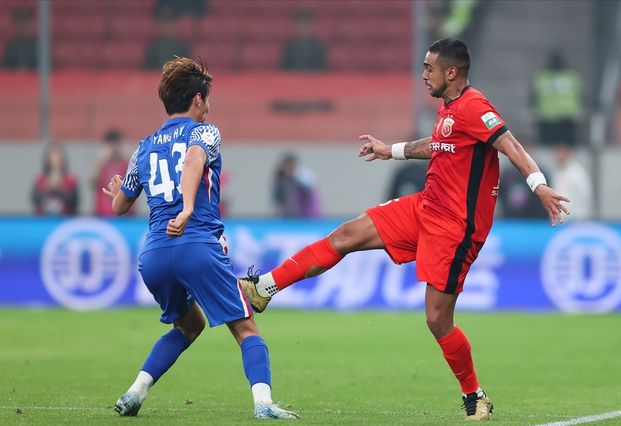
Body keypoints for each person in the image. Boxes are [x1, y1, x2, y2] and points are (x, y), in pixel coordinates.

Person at [241, 38, 569, 421]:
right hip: (425, 207)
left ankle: (475, 395)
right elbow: (440, 144)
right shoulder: (449, 107)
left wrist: (539, 186)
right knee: (345, 236)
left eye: (430, 68)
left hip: (456, 228)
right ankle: (263, 288)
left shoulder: (475, 106)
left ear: (451, 72)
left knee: (437, 319)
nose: (424, 74)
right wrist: (391, 151)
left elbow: (511, 145)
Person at [103, 57, 299, 420]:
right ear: (197, 99)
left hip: (154, 254)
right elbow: (194, 160)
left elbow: (120, 205)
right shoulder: (204, 133)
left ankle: (134, 393)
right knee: (246, 328)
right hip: (195, 243)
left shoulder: (143, 147)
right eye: (207, 99)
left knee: (189, 325)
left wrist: (118, 191)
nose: (208, 106)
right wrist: (188, 207)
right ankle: (263, 404)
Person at [530, 50, 583, 146]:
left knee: (547, 147)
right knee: (567, 147)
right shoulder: (571, 77)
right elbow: (581, 96)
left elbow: (533, 98)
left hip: (548, 117)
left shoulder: (542, 77)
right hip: (566, 117)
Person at [92, 129, 134, 216]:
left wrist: (128, 155)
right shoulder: (102, 164)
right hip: (102, 214)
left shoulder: (126, 164)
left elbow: (136, 182)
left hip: (126, 215)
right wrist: (102, 158)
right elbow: (92, 182)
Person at [31, 143, 79, 215]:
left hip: (65, 218)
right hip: (43, 218)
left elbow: (75, 201)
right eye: (52, 156)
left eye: (58, 156)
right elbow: (35, 199)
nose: (55, 160)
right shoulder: (40, 179)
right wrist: (47, 189)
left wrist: (61, 190)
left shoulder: (71, 179)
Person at [550, 142, 592, 220]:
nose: (558, 155)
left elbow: (584, 198)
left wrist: (579, 218)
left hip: (575, 220)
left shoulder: (578, 173)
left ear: (569, 152)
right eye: (557, 152)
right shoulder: (557, 173)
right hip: (560, 219)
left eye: (561, 152)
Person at [273, 152, 322, 218]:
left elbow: (308, 186)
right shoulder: (283, 178)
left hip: (309, 214)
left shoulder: (303, 175)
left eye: (289, 165)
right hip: (291, 215)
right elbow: (278, 198)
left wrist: (293, 175)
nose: (287, 167)